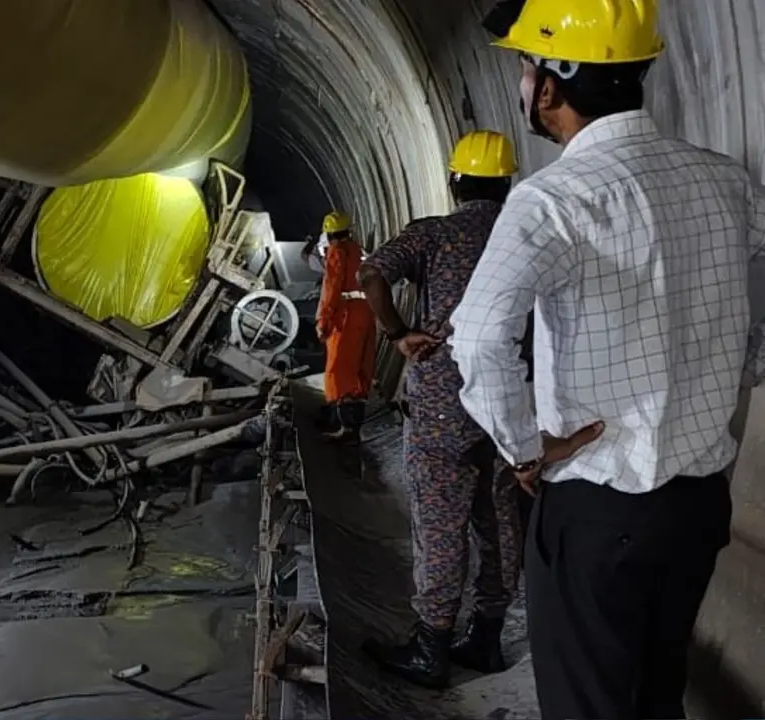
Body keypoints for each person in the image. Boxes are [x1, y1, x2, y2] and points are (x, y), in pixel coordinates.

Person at [451, 1, 764, 717]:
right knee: (656, 694)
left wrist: (525, 448)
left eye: (525, 67)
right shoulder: (722, 181)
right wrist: (746, 359)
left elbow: (480, 338)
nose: (522, 84)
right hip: (696, 506)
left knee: (589, 704)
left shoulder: (551, 202)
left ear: (550, 87)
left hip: (599, 509)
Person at [358, 131, 523, 688]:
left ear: (455, 182)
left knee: (440, 520)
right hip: (509, 399)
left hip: (442, 403)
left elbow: (371, 274)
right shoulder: (524, 231)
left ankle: (431, 645)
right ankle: (487, 636)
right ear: (507, 183)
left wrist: (398, 333)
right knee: (499, 517)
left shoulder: (434, 234)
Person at [313, 211, 376, 441]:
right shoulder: (358, 251)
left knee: (338, 368)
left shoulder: (336, 252)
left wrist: (323, 321)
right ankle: (354, 425)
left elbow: (331, 288)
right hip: (366, 311)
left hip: (346, 314)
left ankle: (342, 426)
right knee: (360, 368)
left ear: (329, 235)